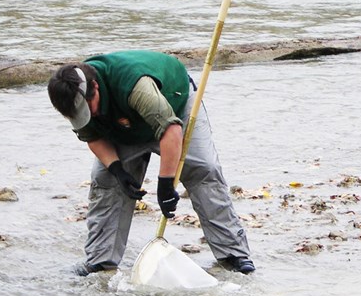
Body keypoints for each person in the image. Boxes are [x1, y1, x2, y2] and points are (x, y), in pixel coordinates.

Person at [47, 50, 255, 276]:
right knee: (105, 179)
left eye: (89, 108)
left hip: (175, 109)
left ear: (95, 87)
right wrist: (117, 169)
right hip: (125, 127)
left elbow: (171, 130)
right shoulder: (72, 97)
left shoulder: (135, 85)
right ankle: (100, 261)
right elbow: (93, 138)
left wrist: (165, 184)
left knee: (203, 170)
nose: (89, 115)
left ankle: (233, 254)